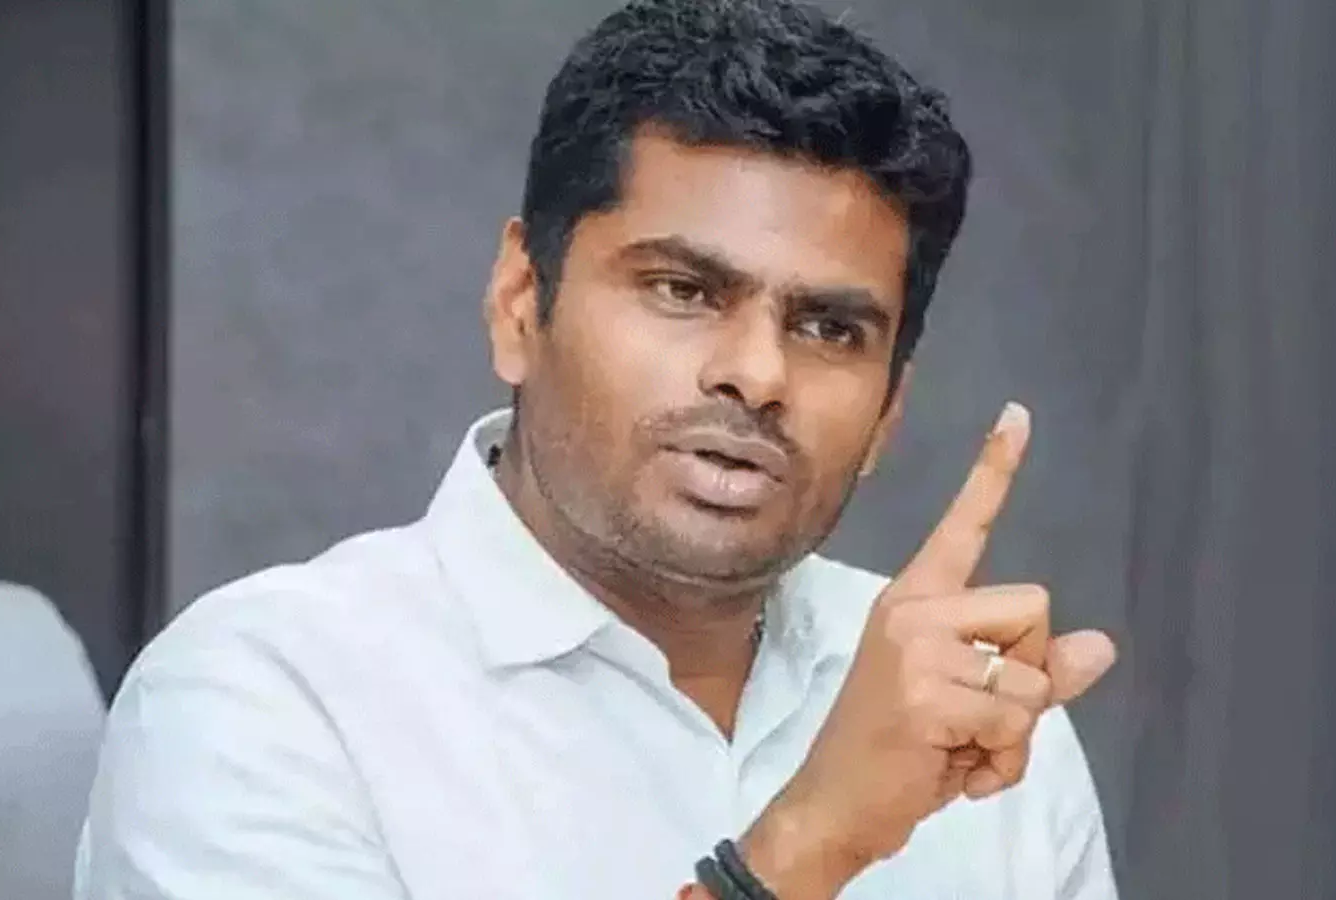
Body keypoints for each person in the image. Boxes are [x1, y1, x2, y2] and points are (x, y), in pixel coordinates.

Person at [73, 0, 1119, 897]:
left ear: (890, 408)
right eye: (683, 290)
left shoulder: (968, 713)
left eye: (830, 328)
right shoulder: (265, 702)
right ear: (519, 301)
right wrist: (809, 842)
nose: (757, 373)